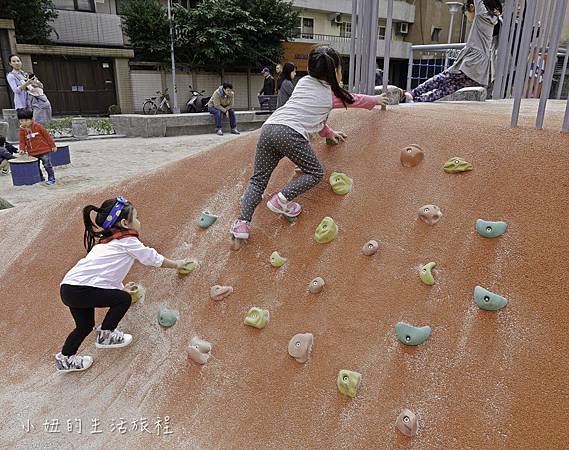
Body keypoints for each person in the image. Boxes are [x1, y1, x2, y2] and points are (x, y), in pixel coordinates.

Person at [230, 46, 388, 241]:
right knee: (315, 173)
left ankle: (242, 224)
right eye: (340, 69)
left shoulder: (303, 82)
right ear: (334, 72)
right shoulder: (330, 95)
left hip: (270, 128)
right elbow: (355, 99)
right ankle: (282, 199)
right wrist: (376, 99)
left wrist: (329, 133)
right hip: (290, 134)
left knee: (258, 180)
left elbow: (314, 116)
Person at [55, 197, 194, 372]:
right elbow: (151, 257)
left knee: (83, 326)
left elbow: (104, 276)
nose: (139, 221)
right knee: (122, 299)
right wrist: (176, 264)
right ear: (124, 223)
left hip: (69, 288)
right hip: (82, 288)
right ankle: (106, 335)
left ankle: (66, 359)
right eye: (136, 217)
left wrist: (120, 287)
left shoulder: (105, 245)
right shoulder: (128, 241)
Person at [403, 0, 502, 103]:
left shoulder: (481, 15)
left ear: (472, 8)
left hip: (472, 62)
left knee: (443, 78)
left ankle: (414, 93)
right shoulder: (493, 20)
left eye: (465, 14)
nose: (467, 19)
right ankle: (420, 100)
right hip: (480, 68)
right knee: (450, 88)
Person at [6, 54, 52, 124]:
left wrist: (36, 82)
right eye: (14, 61)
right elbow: (15, 90)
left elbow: (41, 86)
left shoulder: (26, 74)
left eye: (18, 61)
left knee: (36, 124)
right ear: (10, 63)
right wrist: (27, 83)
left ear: (21, 62)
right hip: (22, 104)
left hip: (33, 102)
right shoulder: (11, 75)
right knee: (25, 125)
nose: (16, 63)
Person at [17, 108, 57, 185]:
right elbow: (22, 141)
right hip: (32, 152)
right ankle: (40, 177)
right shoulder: (22, 130)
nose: (24, 123)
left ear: (31, 119)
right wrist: (21, 149)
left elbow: (47, 136)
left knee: (47, 165)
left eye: (26, 120)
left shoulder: (38, 126)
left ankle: (51, 178)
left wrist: (53, 146)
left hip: (44, 150)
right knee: (36, 167)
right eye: (21, 121)